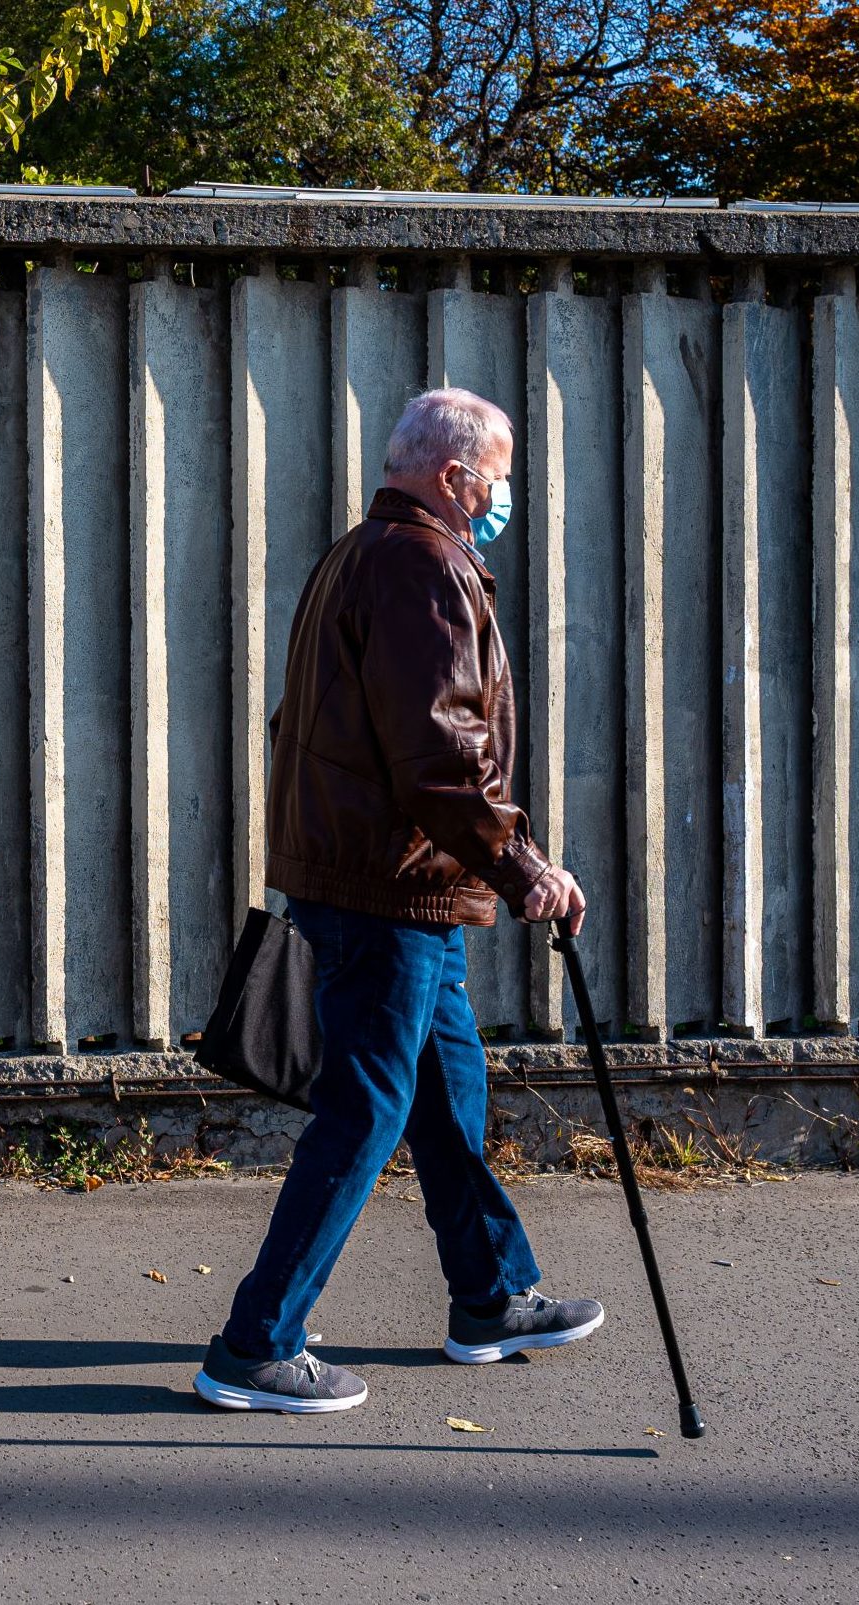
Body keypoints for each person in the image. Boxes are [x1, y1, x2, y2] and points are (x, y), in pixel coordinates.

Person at [194, 387, 599, 1414]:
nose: (505, 492)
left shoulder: (356, 554)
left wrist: (512, 857)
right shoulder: (422, 566)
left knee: (447, 1098)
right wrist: (525, 870)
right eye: (499, 475)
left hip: (393, 882)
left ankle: (491, 1295)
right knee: (365, 1110)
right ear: (454, 476)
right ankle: (255, 1347)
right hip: (393, 891)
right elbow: (443, 752)